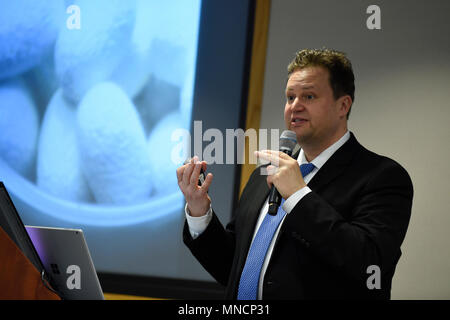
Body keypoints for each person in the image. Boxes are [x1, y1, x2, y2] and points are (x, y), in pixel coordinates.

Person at [176, 48, 413, 299]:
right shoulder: (264, 175)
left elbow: (369, 265)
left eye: (309, 96)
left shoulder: (382, 177)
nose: (295, 106)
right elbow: (232, 269)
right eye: (290, 97)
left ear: (343, 105)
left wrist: (299, 197)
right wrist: (199, 212)